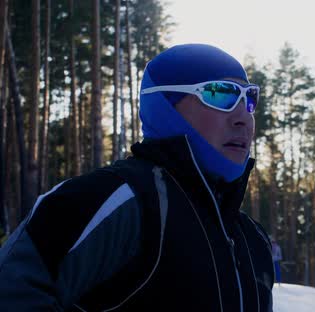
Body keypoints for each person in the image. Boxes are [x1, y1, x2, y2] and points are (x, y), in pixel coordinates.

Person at [0, 44, 274, 311]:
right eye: (219, 94)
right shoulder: (116, 200)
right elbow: (12, 287)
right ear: (165, 105)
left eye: (249, 98)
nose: (243, 117)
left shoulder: (253, 240)